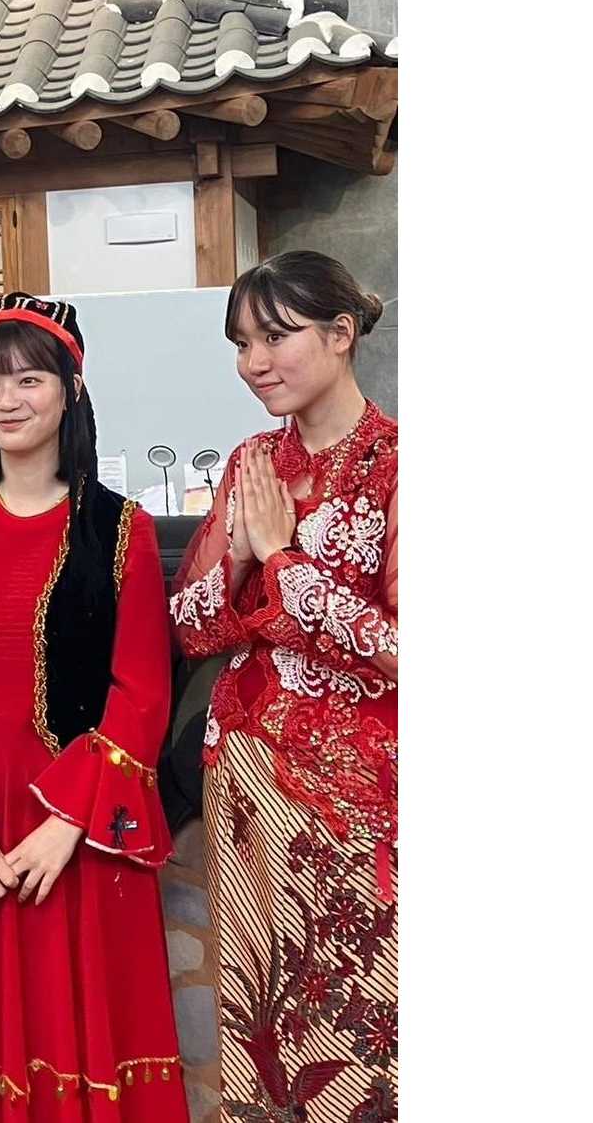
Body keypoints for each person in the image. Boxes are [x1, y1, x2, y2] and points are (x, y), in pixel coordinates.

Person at [0, 293, 188, 1121]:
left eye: (29, 379)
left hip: (81, 828)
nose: (6, 400)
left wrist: (67, 823)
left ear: (70, 390)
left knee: (82, 1019)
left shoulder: (119, 529)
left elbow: (141, 690)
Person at [168, 251, 398, 1123]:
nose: (253, 362)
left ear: (340, 334)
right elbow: (191, 627)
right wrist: (234, 553)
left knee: (354, 1014)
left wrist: (282, 558)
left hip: (352, 796)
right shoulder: (252, 460)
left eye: (274, 337)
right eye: (240, 343)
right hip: (245, 787)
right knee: (258, 1013)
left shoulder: (396, 464)